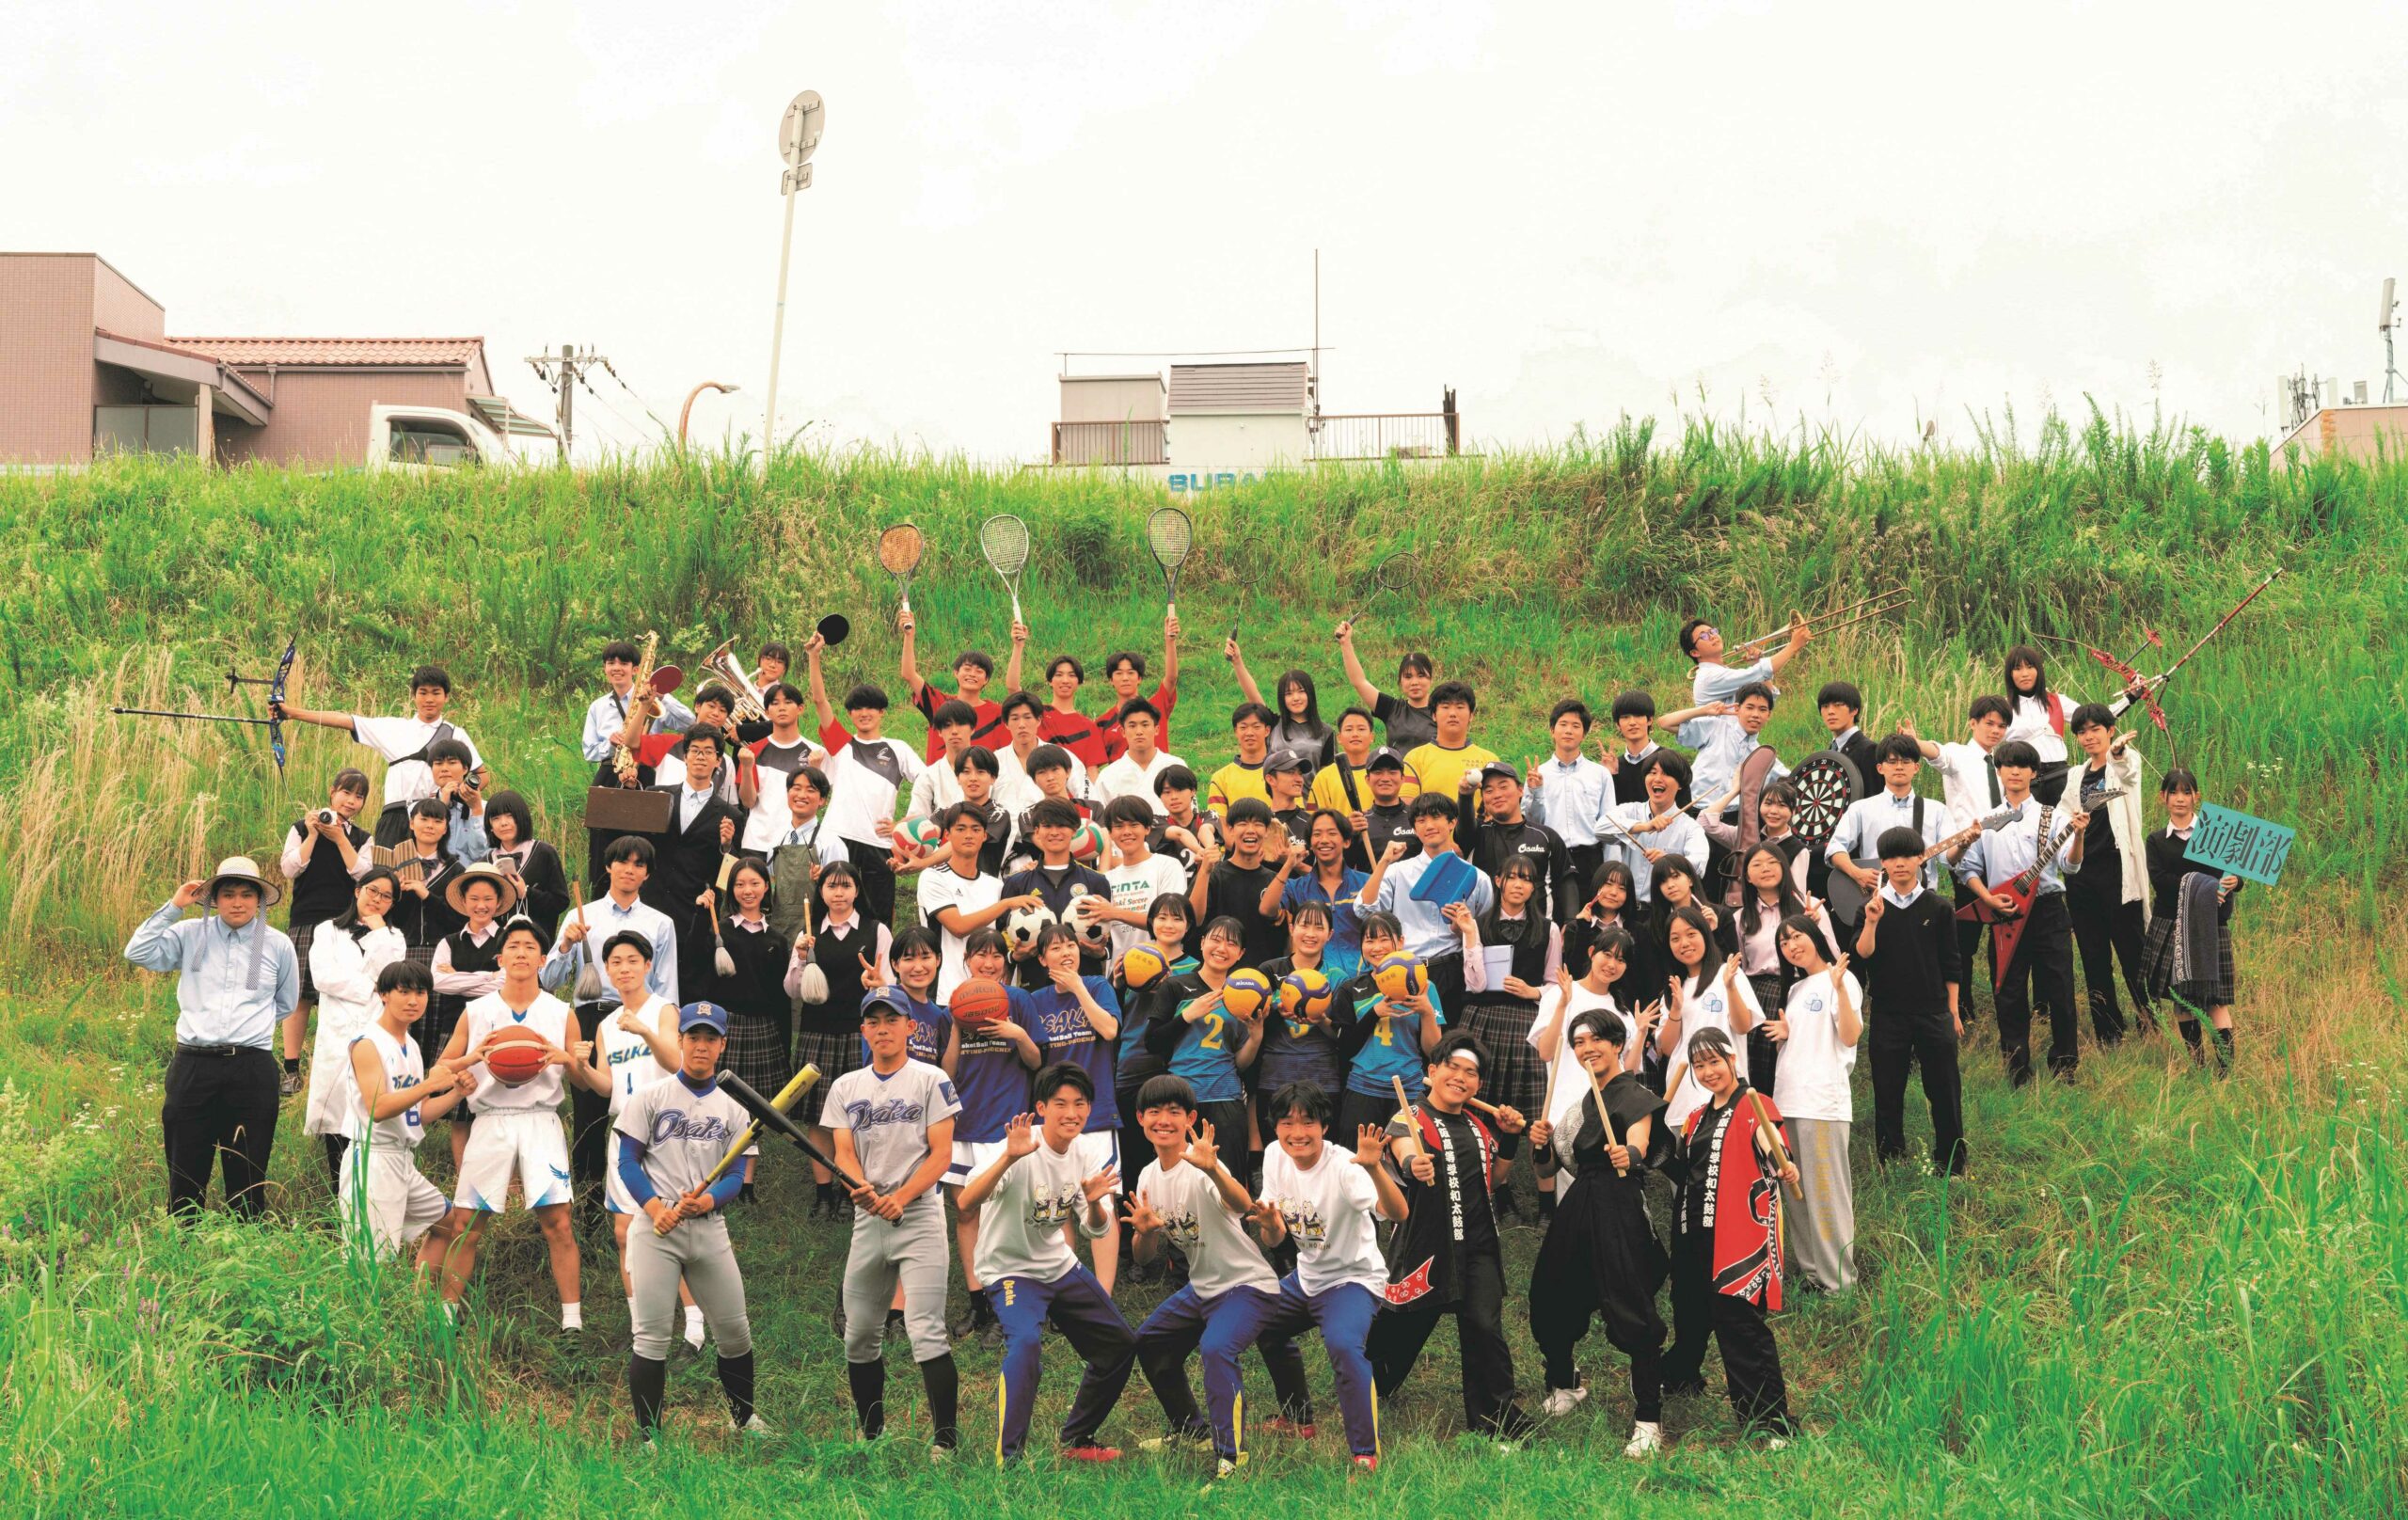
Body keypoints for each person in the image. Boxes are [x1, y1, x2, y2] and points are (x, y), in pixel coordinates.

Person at [429, 917, 606, 1329]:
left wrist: (569, 1061)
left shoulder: (561, 1012)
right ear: (500, 957)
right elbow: (441, 1069)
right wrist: (470, 1062)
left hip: (540, 1120)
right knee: (467, 1224)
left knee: (559, 1223)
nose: (522, 953)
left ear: (543, 959)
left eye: (530, 947)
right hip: (490, 1121)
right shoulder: (477, 1011)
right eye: (514, 946)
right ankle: (444, 1319)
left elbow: (582, 1081)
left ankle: (572, 1324)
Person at [957, 1069, 1137, 1465]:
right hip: (1010, 1270)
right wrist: (1008, 1157)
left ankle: (1077, 1440)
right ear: (1041, 1108)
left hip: (1058, 1265)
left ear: (1090, 1109)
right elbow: (966, 1202)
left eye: (1079, 1104)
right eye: (1060, 1104)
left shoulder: (1085, 1151)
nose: (1071, 1113)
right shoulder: (1017, 1145)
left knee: (1120, 1344)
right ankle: (1011, 1458)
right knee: (1025, 1343)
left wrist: (1092, 1203)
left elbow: (1098, 1229)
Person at [1366, 1034, 1536, 1443]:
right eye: (1453, 1067)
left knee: (1484, 1328)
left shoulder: (1479, 1126)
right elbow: (1407, 1150)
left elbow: (1495, 1178)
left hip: (1477, 1248)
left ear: (1478, 1085)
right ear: (1432, 1072)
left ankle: (1496, 1422)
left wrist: (1510, 1136)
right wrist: (1414, 1164)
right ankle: (1368, 1387)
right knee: (1399, 1327)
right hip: (1425, 1247)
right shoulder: (1410, 1116)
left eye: (1471, 1072)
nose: (1461, 1077)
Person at [616, 1002, 768, 1444]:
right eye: (693, 1036)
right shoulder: (649, 1097)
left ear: (723, 1044)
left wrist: (708, 1202)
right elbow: (628, 1163)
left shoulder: (733, 1109)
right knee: (652, 1337)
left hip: (708, 1228)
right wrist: (653, 1208)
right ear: (680, 1040)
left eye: (710, 1038)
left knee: (735, 1332)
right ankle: (650, 1437)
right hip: (655, 1228)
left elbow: (738, 1177)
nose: (701, 1045)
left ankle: (743, 1421)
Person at [1127, 1078, 1290, 1480]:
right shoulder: (1148, 1176)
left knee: (1216, 1349)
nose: (1164, 1120)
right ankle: (1191, 1430)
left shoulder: (1201, 1165)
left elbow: (1241, 1204)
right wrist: (1145, 1232)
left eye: (1174, 1112)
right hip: (1203, 1288)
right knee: (1150, 1341)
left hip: (1248, 1285)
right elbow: (1144, 1257)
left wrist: (1214, 1168)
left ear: (1191, 1120)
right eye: (1154, 1112)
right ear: (1140, 1119)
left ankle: (1230, 1456)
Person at [1524, 1008, 1669, 1455]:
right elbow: (1551, 1168)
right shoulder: (1580, 1105)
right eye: (1578, 1042)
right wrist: (1541, 1145)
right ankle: (1566, 1385)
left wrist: (1627, 1154)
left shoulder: (1636, 1096)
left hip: (1619, 1203)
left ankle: (1648, 1416)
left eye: (1594, 1040)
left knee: (1629, 1304)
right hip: (1579, 1203)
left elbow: (1639, 1147)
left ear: (1616, 1043)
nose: (1587, 1049)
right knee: (1549, 1292)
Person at [827, 990, 964, 1454]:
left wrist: (901, 1197)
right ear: (863, 1030)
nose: (883, 1028)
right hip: (869, 1218)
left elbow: (942, 1154)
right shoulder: (846, 1086)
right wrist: (858, 1187)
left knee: (925, 1330)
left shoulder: (931, 1079)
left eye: (892, 1019)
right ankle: (873, 1437)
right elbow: (843, 1152)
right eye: (874, 1021)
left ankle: (945, 1444)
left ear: (910, 1026)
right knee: (860, 1334)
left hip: (920, 1213)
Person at [124, 856, 299, 1218]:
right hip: (194, 1065)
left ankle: (247, 1244)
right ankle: (184, 1245)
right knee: (186, 1165)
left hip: (252, 1068)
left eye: (248, 895)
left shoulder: (278, 944)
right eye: (229, 894)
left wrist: (246, 1029)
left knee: (248, 1168)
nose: (238, 903)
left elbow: (285, 1002)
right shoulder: (189, 934)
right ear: (214, 899)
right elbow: (137, 952)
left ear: (260, 901)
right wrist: (174, 907)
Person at [1250, 1083, 1406, 1471]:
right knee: (1262, 1323)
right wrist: (1270, 1226)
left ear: (1324, 1125)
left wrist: (1373, 1167)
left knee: (1342, 1344)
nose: (1297, 1133)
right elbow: (1276, 1236)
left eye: (1308, 1122)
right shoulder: (1274, 1155)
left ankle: (1364, 1454)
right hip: (1307, 1277)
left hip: (1353, 1279)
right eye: (1287, 1123)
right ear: (1275, 1127)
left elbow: (1398, 1212)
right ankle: (1298, 1418)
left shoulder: (1345, 1166)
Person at [1656, 1027, 1799, 1443]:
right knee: (1689, 1312)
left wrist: (1782, 1162)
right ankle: (1682, 1378)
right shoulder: (1698, 1117)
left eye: (1714, 1062)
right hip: (1693, 1233)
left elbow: (1772, 1146)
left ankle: (1770, 1421)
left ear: (1732, 1060)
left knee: (1741, 1327)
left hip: (1736, 1238)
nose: (1707, 1071)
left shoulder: (1756, 1103)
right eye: (1699, 1065)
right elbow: (1685, 1173)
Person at [583, 931, 700, 1351]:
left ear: (648, 965)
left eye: (633, 960)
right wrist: (577, 1067)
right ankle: (643, 1326)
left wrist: (645, 1031)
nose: (625, 968)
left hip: (664, 1131)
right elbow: (604, 1087)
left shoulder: (665, 1009)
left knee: (671, 1224)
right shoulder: (604, 1024)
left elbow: (676, 1062)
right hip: (623, 1132)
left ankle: (695, 1324)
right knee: (624, 1230)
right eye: (616, 962)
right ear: (608, 969)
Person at [1951, 739, 2090, 1085]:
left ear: (2033, 772)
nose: (2015, 771)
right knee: (2008, 992)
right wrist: (1989, 899)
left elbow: (2069, 868)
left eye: (2023, 766)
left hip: (2047, 911)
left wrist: (2079, 838)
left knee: (2059, 989)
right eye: (2008, 765)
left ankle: (2065, 1066)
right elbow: (1966, 869)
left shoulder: (2052, 816)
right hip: (2004, 912)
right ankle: (2017, 1068)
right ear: (1998, 771)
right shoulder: (1985, 821)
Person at [341, 959, 474, 1262]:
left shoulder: (410, 1045)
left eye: (421, 992)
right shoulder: (367, 1043)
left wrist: (457, 1094)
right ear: (384, 995)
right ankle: (367, 1309)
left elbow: (418, 1114)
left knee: (451, 1223)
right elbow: (378, 1107)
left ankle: (424, 1302)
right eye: (404, 992)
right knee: (371, 1261)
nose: (413, 1001)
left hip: (403, 1160)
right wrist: (427, 1085)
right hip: (372, 1160)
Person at [1020, 924, 1126, 1290]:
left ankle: (1105, 1295)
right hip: (1054, 1119)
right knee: (1060, 1205)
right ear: (1041, 958)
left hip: (1095, 1114)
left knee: (1103, 1204)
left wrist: (1078, 986)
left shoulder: (1098, 986)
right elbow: (1034, 1060)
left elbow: (1109, 1031)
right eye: (1055, 947)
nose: (1066, 952)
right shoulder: (1035, 1000)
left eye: (1070, 945)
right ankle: (1065, 1289)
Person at [275, 664, 487, 847]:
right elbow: (345, 720)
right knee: (387, 883)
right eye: (423, 692)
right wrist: (291, 713)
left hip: (437, 817)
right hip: (395, 817)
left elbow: (482, 776)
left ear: (446, 697)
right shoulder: (394, 728)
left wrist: (456, 791)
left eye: (436, 692)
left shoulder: (456, 734)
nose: (429, 699)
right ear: (413, 695)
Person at [784, 860, 893, 1216]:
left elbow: (891, 986)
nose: (839, 893)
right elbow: (792, 990)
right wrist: (801, 958)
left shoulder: (876, 931)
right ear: (822, 892)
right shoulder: (809, 934)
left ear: (857, 891)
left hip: (860, 1033)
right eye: (832, 886)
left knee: (859, 1114)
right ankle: (823, 1192)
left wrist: (877, 984)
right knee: (819, 1116)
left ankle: (851, 1189)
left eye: (846, 886)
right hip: (818, 1031)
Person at [1855, 826, 1965, 1174]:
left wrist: (1952, 1012)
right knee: (1888, 1089)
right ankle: (1891, 1159)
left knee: (1944, 1089)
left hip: (1934, 1012)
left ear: (1921, 858)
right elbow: (1863, 955)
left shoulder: (1939, 906)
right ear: (1883, 863)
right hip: (1888, 1012)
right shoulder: (1871, 907)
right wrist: (1872, 922)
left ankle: (1951, 1161)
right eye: (1890, 857)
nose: (1899, 863)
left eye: (1907, 856)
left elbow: (1952, 963)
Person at [1453, 857, 1562, 1206]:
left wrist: (1534, 992)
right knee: (1481, 1103)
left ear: (1534, 887)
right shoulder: (1479, 924)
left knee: (1522, 1109)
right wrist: (1470, 935)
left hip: (1525, 1022)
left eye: (1527, 879)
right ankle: (1494, 1191)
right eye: (1512, 877)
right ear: (1498, 880)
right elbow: (1475, 984)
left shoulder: (1549, 929)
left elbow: (1554, 983)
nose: (1518, 884)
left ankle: (1543, 1199)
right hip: (1482, 1018)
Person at [1766, 917, 1861, 1292]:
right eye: (1784, 941)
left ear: (1815, 936)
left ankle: (1840, 1283)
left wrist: (1837, 990)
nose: (1791, 945)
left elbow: (1850, 1035)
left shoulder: (1841, 978)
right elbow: (1807, 1036)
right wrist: (1789, 1034)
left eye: (1797, 936)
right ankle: (1812, 1275)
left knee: (1827, 1196)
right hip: (1788, 1099)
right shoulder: (1796, 989)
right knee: (1796, 1192)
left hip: (1822, 1102)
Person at [807, 631, 926, 926]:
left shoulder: (898, 748)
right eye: (857, 709)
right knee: (829, 910)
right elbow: (820, 701)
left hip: (879, 844)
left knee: (878, 917)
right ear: (849, 714)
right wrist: (814, 656)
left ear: (882, 712)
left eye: (871, 707)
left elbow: (927, 784)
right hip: (838, 837)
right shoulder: (842, 745)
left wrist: (904, 825)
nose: (864, 713)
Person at [304, 867, 407, 1184]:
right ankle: (339, 1187)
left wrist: (378, 933)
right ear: (357, 891)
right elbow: (323, 976)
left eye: (386, 896)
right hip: (337, 1031)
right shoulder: (327, 931)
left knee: (372, 1107)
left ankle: (368, 1189)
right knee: (336, 1113)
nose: (377, 900)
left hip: (377, 1032)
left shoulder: (395, 938)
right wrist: (370, 988)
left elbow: (392, 977)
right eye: (372, 891)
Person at [1906, 696, 2014, 993]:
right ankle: (1961, 1001)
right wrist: (1916, 743)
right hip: (1970, 855)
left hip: (2003, 854)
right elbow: (1936, 753)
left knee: (2004, 931)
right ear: (1973, 723)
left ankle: (2002, 993)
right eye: (1989, 723)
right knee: (1966, 935)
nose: (1995, 730)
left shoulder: (2004, 763)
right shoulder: (1960, 755)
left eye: (2001, 726)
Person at [1357, 790, 1496, 1022]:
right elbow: (1363, 910)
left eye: (1436, 817)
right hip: (1406, 970)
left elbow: (1486, 930)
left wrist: (1461, 928)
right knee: (1412, 1046)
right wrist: (1384, 862)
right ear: (1414, 829)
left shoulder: (1477, 878)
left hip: (1454, 969)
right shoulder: (1398, 872)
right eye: (1421, 821)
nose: (1428, 825)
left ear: (1452, 822)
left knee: (1448, 1043)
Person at [2140, 768, 2243, 1072]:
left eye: (2187, 792)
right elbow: (2162, 881)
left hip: (2211, 925)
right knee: (2181, 999)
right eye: (2174, 792)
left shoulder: (2215, 834)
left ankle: (2225, 1071)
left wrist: (2233, 882)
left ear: (2197, 797)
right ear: (2163, 798)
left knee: (2215, 1000)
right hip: (2172, 924)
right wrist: (2207, 888)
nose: (2180, 799)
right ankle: (2196, 1064)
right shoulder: (2157, 841)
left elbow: (2233, 876)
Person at [277, 768, 372, 1096]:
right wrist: (314, 833)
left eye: (359, 796)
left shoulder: (362, 838)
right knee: (300, 996)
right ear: (332, 792)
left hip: (345, 924)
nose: (351, 801)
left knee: (339, 995)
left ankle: (336, 1067)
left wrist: (341, 838)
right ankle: (291, 1069)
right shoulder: (302, 828)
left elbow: (363, 875)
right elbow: (289, 868)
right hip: (306, 920)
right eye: (346, 792)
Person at [2065, 705, 2153, 1045]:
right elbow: (2063, 812)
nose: (2088, 737)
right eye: (2082, 732)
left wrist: (2118, 753)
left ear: (2110, 730)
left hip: (2119, 874)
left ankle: (2149, 1021)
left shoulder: (2124, 764)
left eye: (2095, 730)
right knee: (2093, 955)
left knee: (2133, 952)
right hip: (2083, 876)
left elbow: (2127, 769)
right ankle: (2108, 1030)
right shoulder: (2076, 775)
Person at [1113, 895, 1199, 1226]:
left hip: (1175, 1067)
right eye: (1161, 917)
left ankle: (1180, 1231)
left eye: (1177, 918)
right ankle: (1133, 1234)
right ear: (1150, 922)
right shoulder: (1131, 959)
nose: (1168, 924)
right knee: (1134, 1156)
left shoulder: (1195, 969)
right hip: (1132, 1062)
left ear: (1188, 926)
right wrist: (1118, 985)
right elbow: (1114, 1017)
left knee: (1176, 1158)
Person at [1143, 917, 1263, 1147]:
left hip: (1226, 1096)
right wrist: (1188, 1016)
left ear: (1241, 953)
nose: (1221, 948)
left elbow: (1241, 1064)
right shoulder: (1176, 986)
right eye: (1215, 940)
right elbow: (1152, 1042)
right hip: (1181, 1098)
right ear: (1201, 943)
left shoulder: (1246, 995)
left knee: (1226, 1177)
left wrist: (1256, 1038)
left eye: (1231, 943)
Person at [642, 724, 743, 984]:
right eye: (694, 750)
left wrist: (726, 846)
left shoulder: (730, 815)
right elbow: (639, 844)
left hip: (694, 907)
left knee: (685, 979)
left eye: (708, 751)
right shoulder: (657, 795)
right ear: (685, 756)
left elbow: (729, 876)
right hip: (652, 899)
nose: (700, 756)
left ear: (718, 761)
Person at [1332, 910, 1447, 1138]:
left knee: (1409, 1162)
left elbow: (1434, 1051)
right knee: (1359, 1164)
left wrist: (1426, 1012)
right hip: (1362, 1088)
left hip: (1410, 1087)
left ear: (1401, 941)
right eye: (1369, 940)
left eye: (1385, 939)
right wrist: (1375, 1013)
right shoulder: (1350, 988)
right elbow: (1344, 1047)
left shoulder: (1423, 986)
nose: (1377, 947)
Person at [1728, 842, 1829, 1100]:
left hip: (1801, 989)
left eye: (1773, 862)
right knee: (1759, 1072)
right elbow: (1738, 967)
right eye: (1757, 864)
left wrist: (1813, 927)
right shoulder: (1741, 918)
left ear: (1785, 868)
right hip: (1758, 995)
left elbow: (1833, 959)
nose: (1766, 869)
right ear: (1747, 877)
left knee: (1799, 1063)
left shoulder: (1810, 907)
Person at [1254, 901, 1349, 1173]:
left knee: (1322, 1163)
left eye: (1319, 927)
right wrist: (1273, 1011)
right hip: (1275, 1076)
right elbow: (1253, 1020)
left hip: (1323, 1078)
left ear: (1330, 934)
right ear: (1292, 928)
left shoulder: (1338, 977)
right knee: (1279, 1159)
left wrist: (1321, 1020)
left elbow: (1341, 1035)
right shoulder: (1270, 971)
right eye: (1304, 925)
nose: (1310, 933)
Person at [1828, 733, 1949, 943]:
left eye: (1906, 761)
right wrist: (1857, 874)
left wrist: (1965, 844)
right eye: (1892, 762)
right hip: (1876, 901)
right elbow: (1835, 848)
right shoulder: (1862, 809)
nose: (1899, 766)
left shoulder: (1936, 810)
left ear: (1916, 768)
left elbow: (1949, 857)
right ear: (1880, 768)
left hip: (1922, 903)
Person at [1656, 907, 1763, 1131]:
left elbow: (1743, 1027)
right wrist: (1675, 1010)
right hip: (1682, 1099)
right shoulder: (1674, 986)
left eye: (1691, 934)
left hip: (1726, 1098)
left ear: (1705, 934)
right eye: (1675, 938)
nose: (1684, 943)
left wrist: (1730, 987)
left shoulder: (1728, 973)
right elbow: (1666, 1048)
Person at [917, 804, 1035, 997]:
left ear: (985, 836)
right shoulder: (933, 877)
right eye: (961, 829)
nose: (969, 835)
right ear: (947, 835)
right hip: (946, 992)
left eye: (976, 829)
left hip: (990, 992)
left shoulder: (994, 885)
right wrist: (1005, 903)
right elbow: (958, 927)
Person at [1001, 799, 1113, 986]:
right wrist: (1016, 956)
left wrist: (1100, 952)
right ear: (1037, 831)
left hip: (1086, 988)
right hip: (1034, 989)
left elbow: (1107, 940)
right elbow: (1004, 938)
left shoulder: (1096, 881)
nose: (1054, 832)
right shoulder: (1016, 883)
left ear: (1075, 830)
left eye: (1062, 825)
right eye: (1047, 826)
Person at [1454, 760, 1577, 926]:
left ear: (1520, 790)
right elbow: (1464, 829)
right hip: (1488, 933)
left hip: (1538, 933)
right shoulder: (1478, 834)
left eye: (1503, 787)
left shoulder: (1545, 836)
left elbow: (1565, 879)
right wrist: (1465, 795)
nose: (1497, 794)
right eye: (1488, 790)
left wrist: (1571, 923)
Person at [709, 857, 794, 1100]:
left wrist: (784, 1043)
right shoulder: (719, 932)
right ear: (732, 888)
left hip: (764, 1029)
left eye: (755, 883)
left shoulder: (777, 940)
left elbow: (781, 997)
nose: (748, 891)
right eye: (739, 884)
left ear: (766, 886)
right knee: (722, 1101)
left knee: (763, 1107)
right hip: (727, 1026)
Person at [1525, 699, 1613, 892]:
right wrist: (1536, 791)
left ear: (1584, 734)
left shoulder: (1600, 774)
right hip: (1551, 858)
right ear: (1552, 730)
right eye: (1563, 724)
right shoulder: (1538, 775)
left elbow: (1610, 824)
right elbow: (1532, 823)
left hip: (1590, 859)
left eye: (1576, 726)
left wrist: (1612, 870)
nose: (1568, 731)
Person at [1094, 795, 1189, 973]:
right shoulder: (1107, 879)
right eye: (1119, 826)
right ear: (1111, 833)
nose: (1127, 831)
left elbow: (1170, 920)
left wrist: (1115, 912)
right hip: (1120, 975)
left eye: (1134, 825)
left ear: (1147, 829)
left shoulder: (1167, 866)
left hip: (1164, 971)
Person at [1600, 753, 1708, 906]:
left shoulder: (1691, 828)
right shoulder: (1631, 811)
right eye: (1652, 773)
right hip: (1626, 909)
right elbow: (1600, 828)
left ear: (1680, 784)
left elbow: (1698, 868)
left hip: (1662, 912)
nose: (1657, 779)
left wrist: (1669, 862)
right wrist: (1643, 826)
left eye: (1666, 773)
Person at [1188, 798, 1283, 971]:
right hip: (1216, 977)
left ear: (1267, 831)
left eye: (1258, 824)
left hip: (1262, 979)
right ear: (1230, 830)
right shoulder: (1213, 875)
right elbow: (1192, 919)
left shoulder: (1275, 881)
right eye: (1242, 824)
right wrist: (1204, 872)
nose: (1250, 830)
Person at [898, 610, 1006, 762]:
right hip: (940, 782)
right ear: (956, 672)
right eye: (967, 669)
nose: (972, 674)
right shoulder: (939, 703)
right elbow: (908, 674)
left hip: (979, 783)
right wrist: (909, 636)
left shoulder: (997, 714)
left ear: (986, 679)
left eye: (979, 671)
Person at [1274, 810, 1368, 979]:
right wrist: (1288, 865)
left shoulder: (1366, 883)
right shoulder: (1296, 887)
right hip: (1315, 983)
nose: (1324, 840)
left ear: (1346, 841)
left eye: (1332, 833)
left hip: (1361, 979)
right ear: (1310, 843)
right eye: (1317, 834)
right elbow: (1267, 910)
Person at [742, 681, 830, 855]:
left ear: (800, 708)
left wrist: (815, 771)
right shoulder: (752, 752)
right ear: (767, 712)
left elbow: (819, 803)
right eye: (775, 703)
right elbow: (748, 802)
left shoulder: (817, 754)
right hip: (756, 843)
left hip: (798, 844)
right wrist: (746, 767)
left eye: (788, 702)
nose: (781, 707)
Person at [1226, 637, 1334, 769]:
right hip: (1274, 790)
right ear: (1282, 699)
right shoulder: (1274, 724)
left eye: (1301, 691)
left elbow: (1327, 777)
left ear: (1310, 694)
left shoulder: (1326, 732)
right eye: (1289, 694)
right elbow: (1253, 695)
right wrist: (1237, 662)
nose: (1295, 698)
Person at [1335, 625, 1438, 752]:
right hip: (1396, 771)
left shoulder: (1441, 712)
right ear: (1401, 681)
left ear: (1431, 679)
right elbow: (1359, 682)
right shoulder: (1392, 709)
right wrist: (1345, 643)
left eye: (1421, 676)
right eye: (1408, 677)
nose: (1414, 682)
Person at [483, 790, 571, 936]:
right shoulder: (485, 862)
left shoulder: (544, 853)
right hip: (498, 948)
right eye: (496, 818)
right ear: (490, 826)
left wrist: (527, 893)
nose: (503, 823)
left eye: (510, 816)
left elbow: (561, 901)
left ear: (521, 818)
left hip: (537, 944)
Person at [1094, 618, 1182, 761]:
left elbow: (1171, 678)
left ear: (1139, 678)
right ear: (1111, 680)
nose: (1125, 678)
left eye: (1131, 673)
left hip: (1159, 780)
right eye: (1118, 673)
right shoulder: (1102, 723)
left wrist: (1169, 641)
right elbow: (1092, 764)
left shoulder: (1156, 706)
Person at [1680, 613, 1809, 706]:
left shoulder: (1722, 671)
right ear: (1695, 652)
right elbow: (1761, 671)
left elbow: (1767, 697)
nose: (1712, 636)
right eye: (1704, 636)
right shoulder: (1710, 676)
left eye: (1713, 631)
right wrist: (1793, 646)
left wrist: (1756, 662)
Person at [1402, 681, 1496, 806]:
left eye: (1460, 707)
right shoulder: (1415, 758)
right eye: (1445, 707)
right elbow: (1407, 808)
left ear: (1471, 715)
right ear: (1434, 715)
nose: (1452, 714)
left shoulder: (1489, 760)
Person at [2001, 644, 2074, 804]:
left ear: (2038, 670)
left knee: (2067, 827)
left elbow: (2095, 717)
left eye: (2030, 666)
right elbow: (1987, 744)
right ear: (2010, 674)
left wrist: (2131, 698)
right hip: (2024, 781)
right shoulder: (2004, 708)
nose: (2025, 674)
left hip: (2060, 778)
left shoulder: (2057, 701)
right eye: (2018, 668)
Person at [1092, 699, 1184, 816]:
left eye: (1145, 725)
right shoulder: (1108, 776)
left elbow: (1190, 813)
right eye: (1132, 726)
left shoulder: (1176, 765)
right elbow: (1101, 820)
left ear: (1157, 730)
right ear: (1123, 731)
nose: (1139, 732)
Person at [1031, 651, 1110, 770]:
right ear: (1049, 681)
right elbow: (1013, 689)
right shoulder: (1037, 714)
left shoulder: (1089, 727)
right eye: (1059, 675)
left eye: (1072, 675)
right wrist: (1018, 646)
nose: (1065, 680)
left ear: (1079, 682)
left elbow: (1091, 772)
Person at [425, 738, 492, 867]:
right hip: (435, 879)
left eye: (452, 762)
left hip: (472, 879)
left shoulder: (486, 808)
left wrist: (476, 810)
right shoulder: (419, 810)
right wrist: (441, 808)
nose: (444, 768)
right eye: (438, 763)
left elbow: (480, 855)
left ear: (465, 768)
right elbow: (423, 849)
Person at [1207, 703, 1278, 816]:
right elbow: (1218, 822)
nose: (1249, 733)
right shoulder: (1220, 778)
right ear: (1236, 731)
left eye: (1256, 727)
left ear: (1267, 731)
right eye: (1243, 727)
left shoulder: (1282, 773)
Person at [1603, 689, 1666, 808]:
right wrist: (1611, 776)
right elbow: (1611, 810)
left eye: (1638, 715)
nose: (1632, 722)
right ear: (1618, 725)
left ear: (1649, 720)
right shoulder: (1615, 766)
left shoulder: (1667, 759)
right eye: (1625, 717)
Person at [1815, 680, 1877, 799]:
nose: (1830, 712)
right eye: (1825, 706)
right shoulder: (1830, 752)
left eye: (1838, 705)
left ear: (1854, 710)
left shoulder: (1868, 750)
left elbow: (1873, 800)